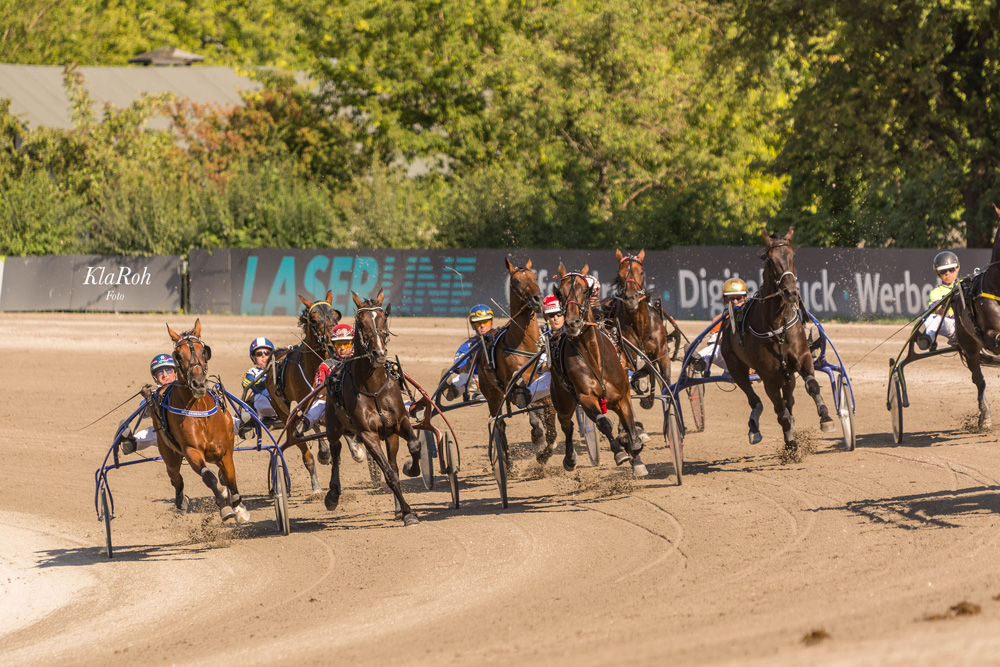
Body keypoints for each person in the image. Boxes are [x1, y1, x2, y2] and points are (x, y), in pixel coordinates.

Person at [295, 324, 366, 462]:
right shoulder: (326, 365)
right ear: (333, 345)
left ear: (352, 343)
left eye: (346, 343)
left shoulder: (359, 363)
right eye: (339, 344)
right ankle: (306, 422)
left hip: (358, 404)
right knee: (320, 403)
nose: (342, 348)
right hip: (332, 406)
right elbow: (318, 390)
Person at [118, 354, 177, 454]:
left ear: (175, 372)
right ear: (155, 377)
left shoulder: (184, 389)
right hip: (168, 434)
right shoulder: (153, 393)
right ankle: (131, 442)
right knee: (155, 431)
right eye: (159, 371)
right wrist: (149, 398)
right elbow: (144, 412)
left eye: (168, 370)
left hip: (188, 431)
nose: (165, 375)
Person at [690, 277, 749, 374]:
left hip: (754, 360)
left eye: (738, 298)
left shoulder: (753, 315)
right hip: (731, 360)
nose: (735, 302)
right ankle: (698, 361)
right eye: (731, 299)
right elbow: (713, 344)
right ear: (726, 300)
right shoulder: (719, 320)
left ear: (745, 297)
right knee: (714, 349)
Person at [442, 304, 494, 400]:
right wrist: (469, 364)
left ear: (491, 321)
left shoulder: (501, 340)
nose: (482, 326)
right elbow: (461, 369)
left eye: (485, 321)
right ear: (473, 325)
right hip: (479, 382)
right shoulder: (468, 346)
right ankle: (452, 391)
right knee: (464, 376)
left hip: (499, 381)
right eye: (478, 323)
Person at [918, 251, 959, 350]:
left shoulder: (966, 284)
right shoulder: (936, 293)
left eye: (951, 269)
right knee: (932, 317)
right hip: (954, 327)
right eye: (944, 271)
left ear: (957, 268)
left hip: (972, 325)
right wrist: (946, 303)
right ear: (938, 273)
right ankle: (928, 340)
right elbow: (940, 315)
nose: (948, 273)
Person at [527, 295, 564, 402]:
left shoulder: (574, 332)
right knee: (531, 391)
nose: (556, 318)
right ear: (545, 316)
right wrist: (550, 365)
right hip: (555, 375)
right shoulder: (544, 339)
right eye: (551, 315)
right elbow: (542, 369)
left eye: (559, 313)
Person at [242, 337, 278, 423]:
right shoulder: (252, 372)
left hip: (280, 401)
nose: (263, 356)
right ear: (254, 357)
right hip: (263, 403)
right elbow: (247, 383)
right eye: (259, 354)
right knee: (256, 398)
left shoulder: (278, 369)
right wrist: (267, 379)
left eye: (266, 353)